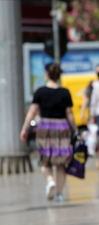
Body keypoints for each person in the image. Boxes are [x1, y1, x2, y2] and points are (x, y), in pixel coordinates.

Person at [20, 63, 77, 202]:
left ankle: (50, 180)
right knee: (61, 162)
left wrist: (24, 128)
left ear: (47, 74)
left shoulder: (40, 92)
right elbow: (69, 113)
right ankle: (59, 194)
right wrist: (75, 130)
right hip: (62, 127)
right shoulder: (65, 92)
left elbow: (32, 111)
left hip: (45, 127)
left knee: (45, 160)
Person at [80, 64, 99, 170]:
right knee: (94, 138)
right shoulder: (92, 84)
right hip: (93, 115)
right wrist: (82, 111)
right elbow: (86, 99)